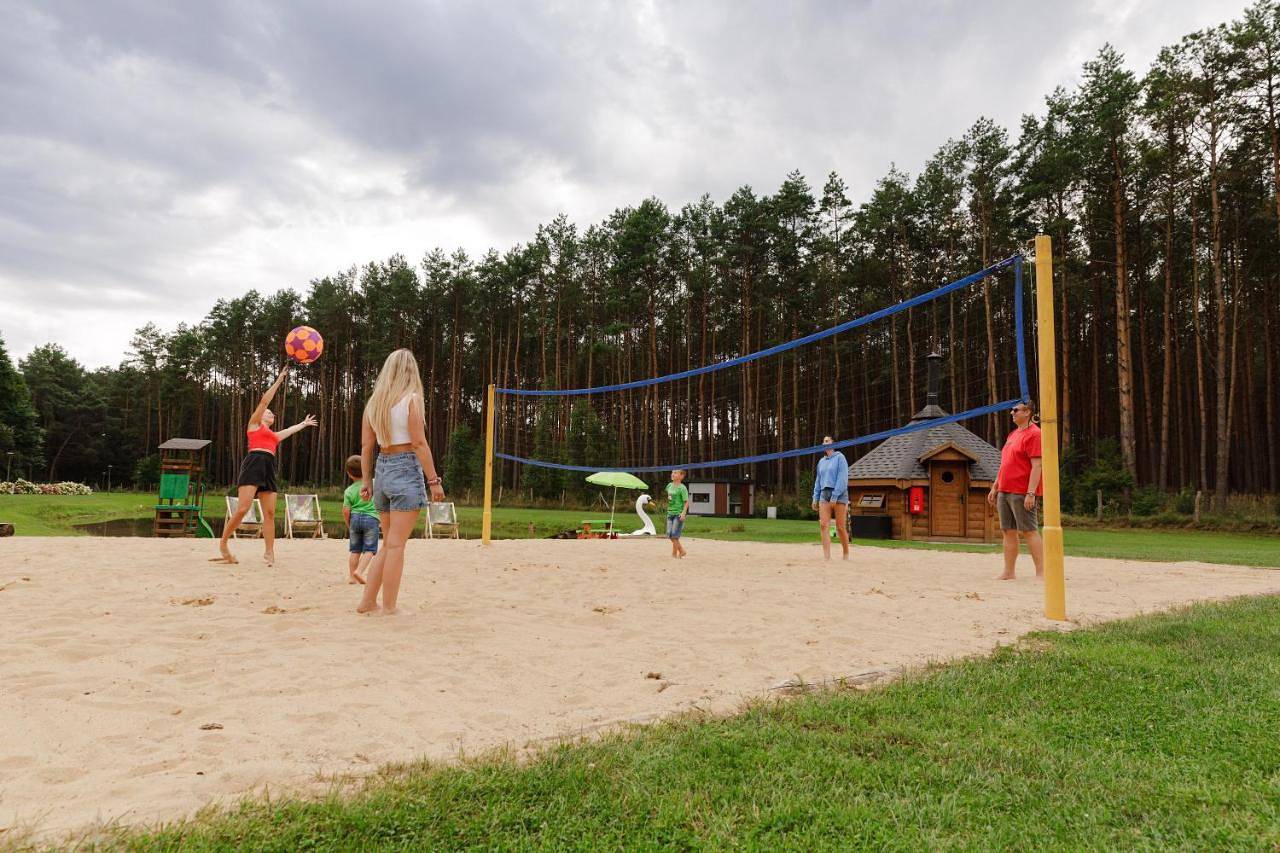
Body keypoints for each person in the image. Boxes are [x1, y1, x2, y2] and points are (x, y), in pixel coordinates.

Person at [355, 349, 445, 616]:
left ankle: (368, 602)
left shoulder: (374, 404)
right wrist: (434, 480)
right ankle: (389, 607)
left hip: (382, 470)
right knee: (396, 545)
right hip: (405, 468)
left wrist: (367, 481)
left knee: (388, 543)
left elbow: (366, 446)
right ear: (411, 371)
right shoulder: (412, 400)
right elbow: (418, 443)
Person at [212, 364, 317, 566]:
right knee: (242, 509)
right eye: (268, 412)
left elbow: (288, 430)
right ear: (261, 416)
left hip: (268, 466)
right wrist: (279, 380)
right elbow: (264, 400)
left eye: (271, 413)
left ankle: (269, 552)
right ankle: (223, 544)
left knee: (269, 513)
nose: (271, 414)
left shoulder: (274, 437)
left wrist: (303, 424)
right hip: (253, 464)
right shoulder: (253, 425)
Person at [988, 399, 1044, 580]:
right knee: (1008, 531)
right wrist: (996, 485)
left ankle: (1042, 573)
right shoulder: (1013, 434)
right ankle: (1009, 572)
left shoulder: (1035, 434)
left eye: (1016, 410)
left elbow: (1037, 466)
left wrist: (1031, 492)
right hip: (1005, 490)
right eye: (1012, 410)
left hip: (1021, 491)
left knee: (1029, 531)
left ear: (1027, 412)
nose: (1012, 413)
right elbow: (1005, 463)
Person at [811, 435, 850, 561]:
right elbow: (818, 480)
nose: (825, 443)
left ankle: (846, 553)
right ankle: (827, 556)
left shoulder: (840, 458)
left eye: (827, 441)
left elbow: (842, 478)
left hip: (839, 493)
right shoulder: (821, 462)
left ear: (833, 443)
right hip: (824, 494)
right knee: (823, 525)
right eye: (824, 441)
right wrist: (815, 498)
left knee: (840, 527)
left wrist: (835, 495)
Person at [342, 454, 379, 585]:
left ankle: (352, 577)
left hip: (355, 519)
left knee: (355, 550)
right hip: (371, 519)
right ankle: (360, 571)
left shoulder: (349, 491)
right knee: (370, 549)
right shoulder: (373, 484)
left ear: (349, 474)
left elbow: (346, 510)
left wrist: (349, 524)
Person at [665, 469, 690, 558]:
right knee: (669, 534)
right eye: (672, 472)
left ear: (681, 476)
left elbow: (686, 502)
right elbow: (669, 497)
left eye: (675, 473)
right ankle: (682, 551)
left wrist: (683, 513)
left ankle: (674, 554)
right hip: (670, 513)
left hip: (678, 514)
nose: (673, 474)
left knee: (674, 534)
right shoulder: (669, 486)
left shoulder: (682, 488)